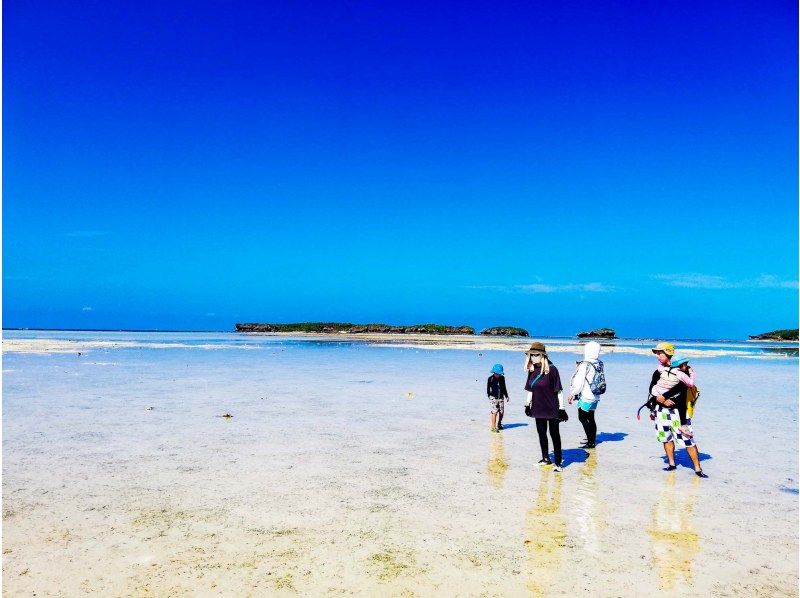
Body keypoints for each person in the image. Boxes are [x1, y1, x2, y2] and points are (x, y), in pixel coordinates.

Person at [649, 343, 707, 478]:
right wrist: (659, 400)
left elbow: (682, 389)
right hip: (661, 410)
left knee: (688, 440)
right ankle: (671, 463)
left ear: (668, 353)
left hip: (678, 412)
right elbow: (652, 387)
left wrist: (665, 397)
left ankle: (698, 468)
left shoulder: (683, 369)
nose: (657, 356)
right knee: (666, 438)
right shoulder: (658, 371)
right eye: (657, 353)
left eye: (660, 353)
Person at [523, 342, 569, 472]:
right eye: (531, 355)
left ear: (542, 355)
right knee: (541, 433)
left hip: (552, 407)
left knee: (554, 434)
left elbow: (559, 390)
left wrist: (562, 408)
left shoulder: (552, 369)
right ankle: (545, 458)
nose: (533, 357)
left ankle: (558, 463)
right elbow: (530, 389)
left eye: (536, 355)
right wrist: (527, 405)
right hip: (537, 406)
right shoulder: (532, 370)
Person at [568, 341, 604, 448]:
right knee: (591, 418)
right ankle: (591, 440)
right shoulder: (599, 363)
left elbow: (579, 383)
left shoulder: (585, 364)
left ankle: (590, 442)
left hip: (587, 396)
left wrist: (572, 393)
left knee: (582, 418)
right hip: (596, 396)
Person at [486, 363, 509, 432]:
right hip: (493, 398)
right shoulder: (490, 379)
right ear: (494, 372)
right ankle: (493, 427)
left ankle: (499, 424)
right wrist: (489, 395)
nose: (499, 375)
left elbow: (504, 387)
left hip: (501, 397)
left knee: (501, 412)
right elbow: (488, 388)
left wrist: (506, 396)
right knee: (494, 412)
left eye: (500, 374)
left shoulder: (502, 378)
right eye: (497, 373)